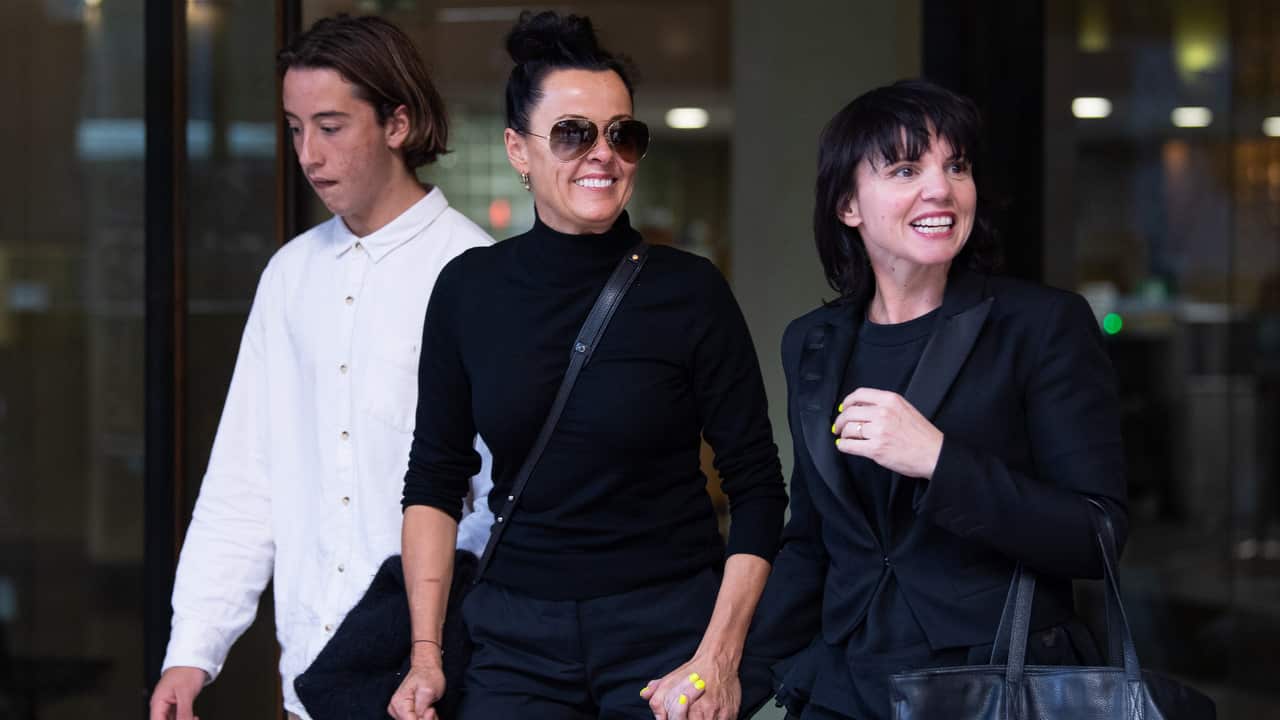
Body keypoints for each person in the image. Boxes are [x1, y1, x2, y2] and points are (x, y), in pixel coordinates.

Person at [389, 10, 787, 720]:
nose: (603, 154)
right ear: (519, 149)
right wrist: (425, 654)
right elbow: (434, 479)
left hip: (667, 636)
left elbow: (757, 486)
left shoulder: (690, 291)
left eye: (622, 134)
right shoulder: (468, 290)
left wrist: (719, 658)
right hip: (516, 642)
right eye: (573, 133)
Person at [740, 79, 1128, 720]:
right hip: (845, 683)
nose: (941, 189)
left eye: (957, 166)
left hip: (991, 684)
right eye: (904, 169)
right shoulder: (812, 342)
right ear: (847, 205)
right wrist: (732, 678)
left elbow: (1097, 536)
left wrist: (939, 460)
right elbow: (812, 542)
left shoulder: (1041, 325)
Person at [148, 15, 495, 720]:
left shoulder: (474, 272)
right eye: (295, 128)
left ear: (398, 123)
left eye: (331, 127)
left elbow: (501, 499)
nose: (308, 154)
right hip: (308, 677)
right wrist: (193, 649)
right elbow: (245, 477)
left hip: (431, 682)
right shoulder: (290, 275)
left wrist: (434, 641)